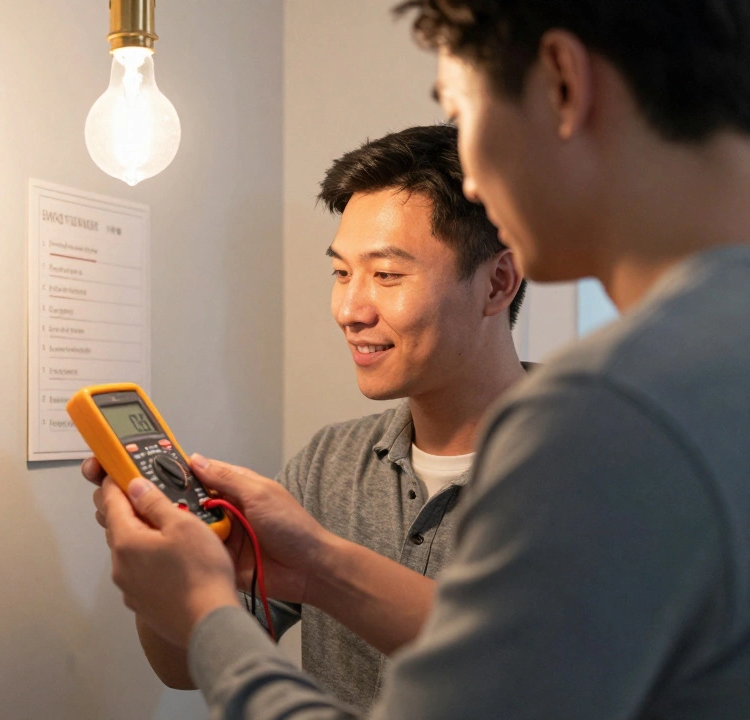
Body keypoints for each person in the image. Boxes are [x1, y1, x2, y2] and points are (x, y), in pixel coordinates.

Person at [98, 0, 750, 717]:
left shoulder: (603, 418)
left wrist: (205, 615)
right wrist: (313, 563)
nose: (473, 180)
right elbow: (529, 663)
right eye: (342, 272)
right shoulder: (712, 366)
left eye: (462, 113)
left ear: (563, 82)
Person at [84, 123, 528, 710]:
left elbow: (543, 674)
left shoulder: (592, 467)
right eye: (342, 272)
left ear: (497, 283)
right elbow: (185, 665)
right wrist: (169, 571)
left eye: (387, 275)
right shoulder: (329, 464)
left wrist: (320, 566)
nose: (348, 309)